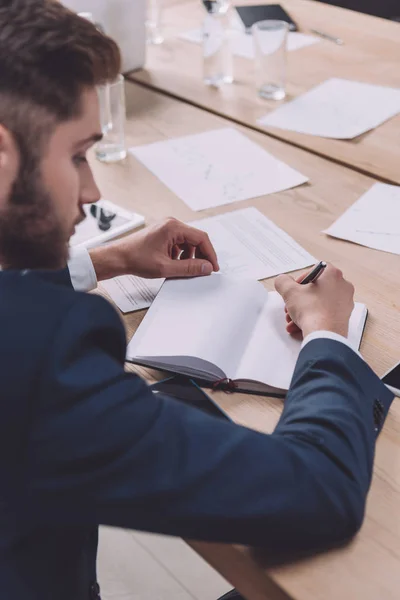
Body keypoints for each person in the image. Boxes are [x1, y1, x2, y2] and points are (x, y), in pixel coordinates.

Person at [0, 2, 393, 600]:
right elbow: (315, 494)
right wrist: (328, 337)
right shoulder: (37, 359)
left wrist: (106, 260)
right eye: (79, 154)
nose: (92, 191)